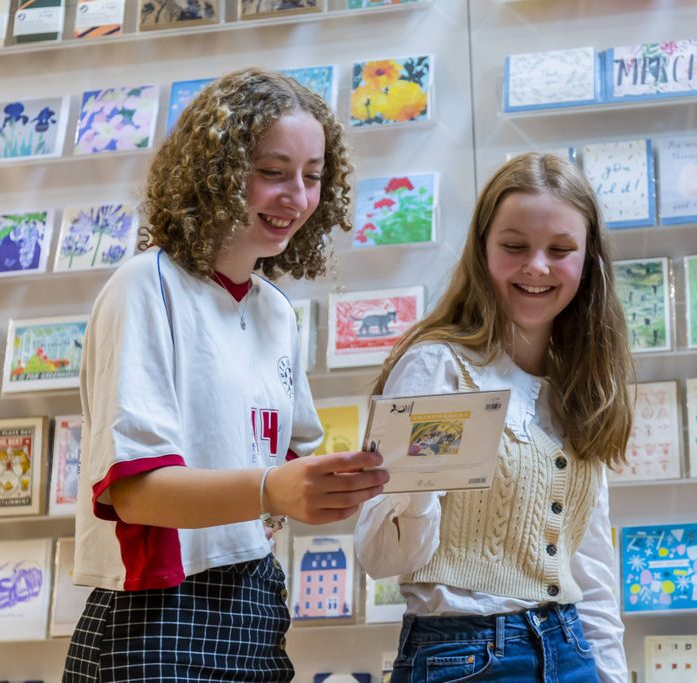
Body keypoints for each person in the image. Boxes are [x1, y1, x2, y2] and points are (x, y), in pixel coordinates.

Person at [64, 68, 389, 683]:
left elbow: (286, 466)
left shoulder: (275, 309)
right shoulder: (145, 286)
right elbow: (134, 492)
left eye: (313, 176)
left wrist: (348, 480)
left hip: (255, 597)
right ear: (213, 170)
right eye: (272, 172)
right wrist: (274, 489)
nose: (296, 195)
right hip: (156, 606)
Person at [355, 152, 633, 683]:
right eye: (514, 246)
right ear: (482, 249)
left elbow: (591, 567)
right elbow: (379, 556)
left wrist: (612, 675)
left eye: (560, 250)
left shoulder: (582, 386)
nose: (536, 267)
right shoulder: (438, 367)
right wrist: (415, 489)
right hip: (466, 656)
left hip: (572, 651)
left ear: (588, 259)